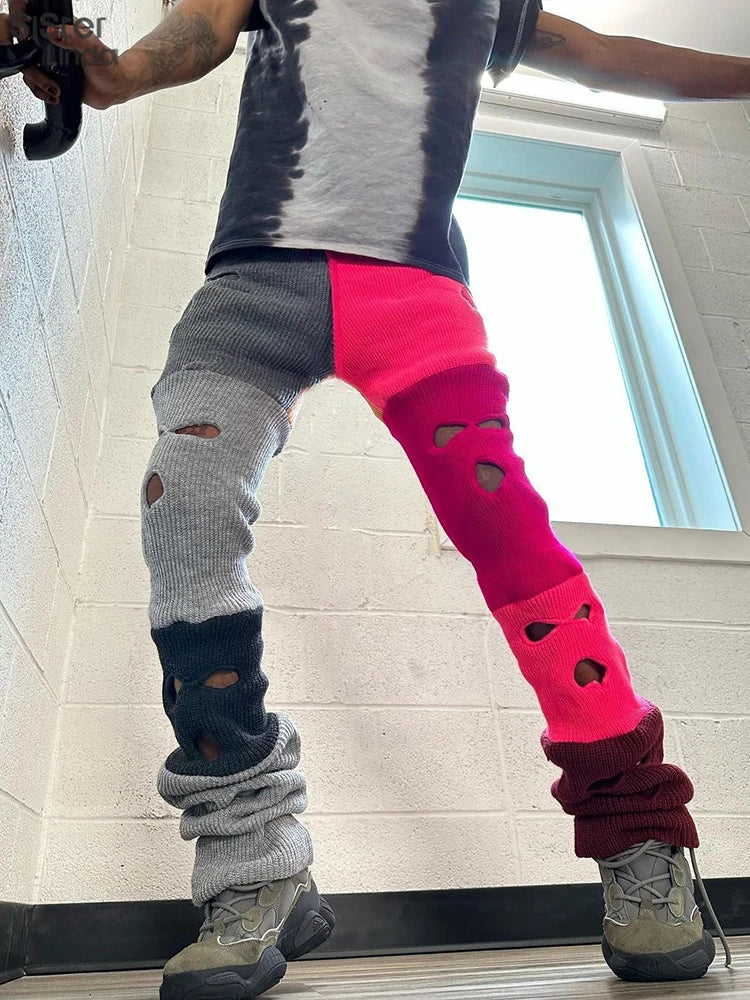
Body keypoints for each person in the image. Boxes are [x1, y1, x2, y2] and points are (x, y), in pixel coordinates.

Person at [8, 0, 746, 996]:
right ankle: (254, 863)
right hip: (252, 289)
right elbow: (195, 35)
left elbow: (607, 54)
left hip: (416, 295)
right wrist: (117, 72)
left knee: (507, 532)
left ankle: (638, 834)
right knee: (181, 510)